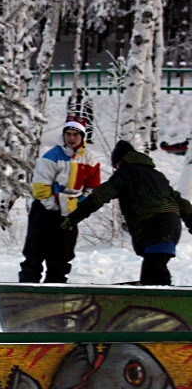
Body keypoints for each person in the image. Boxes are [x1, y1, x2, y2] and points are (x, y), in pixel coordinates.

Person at [62, 140, 192, 286]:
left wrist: (74, 217)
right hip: (172, 224)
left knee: (155, 269)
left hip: (154, 225)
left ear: (119, 161)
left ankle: (163, 299)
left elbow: (100, 196)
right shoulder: (157, 175)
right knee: (155, 266)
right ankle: (156, 294)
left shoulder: (125, 173)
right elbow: (182, 203)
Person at [18, 115, 100, 283]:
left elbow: (92, 189)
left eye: (75, 135)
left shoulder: (90, 161)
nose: (71, 138)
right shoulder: (51, 156)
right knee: (35, 250)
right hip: (45, 210)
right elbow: (41, 185)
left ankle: (56, 286)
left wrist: (79, 205)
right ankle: (28, 286)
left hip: (70, 212)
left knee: (62, 253)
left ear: (82, 137)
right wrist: (52, 205)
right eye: (68, 134)